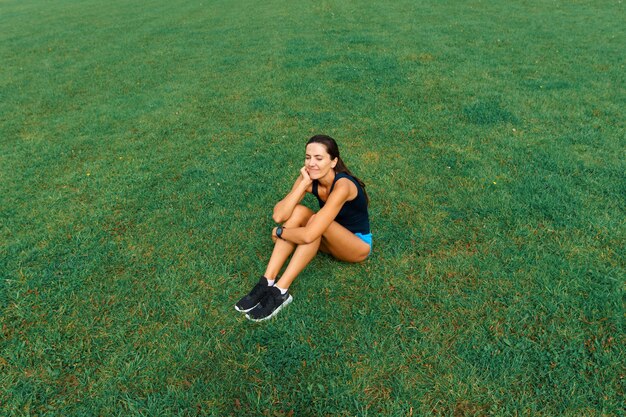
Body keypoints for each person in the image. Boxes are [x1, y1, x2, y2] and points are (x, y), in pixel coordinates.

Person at [235, 134, 372, 321]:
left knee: (315, 222)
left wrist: (280, 232)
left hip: (356, 246)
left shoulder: (343, 186)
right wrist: (302, 185)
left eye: (319, 158)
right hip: (328, 237)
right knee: (298, 212)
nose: (311, 163)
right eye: (308, 157)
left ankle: (281, 291)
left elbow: (308, 235)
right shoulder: (310, 178)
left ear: (333, 162)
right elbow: (279, 215)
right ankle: (267, 280)